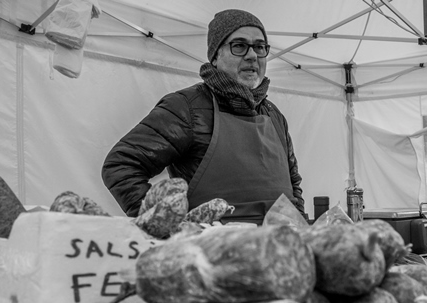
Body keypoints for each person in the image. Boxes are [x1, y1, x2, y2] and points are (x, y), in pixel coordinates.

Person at [101, 9, 305, 224]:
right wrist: (165, 225)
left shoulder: (274, 115)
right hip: (211, 253)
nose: (252, 55)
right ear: (215, 56)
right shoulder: (187, 107)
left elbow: (293, 184)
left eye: (260, 47)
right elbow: (121, 165)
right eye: (239, 46)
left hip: (279, 250)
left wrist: (300, 226)